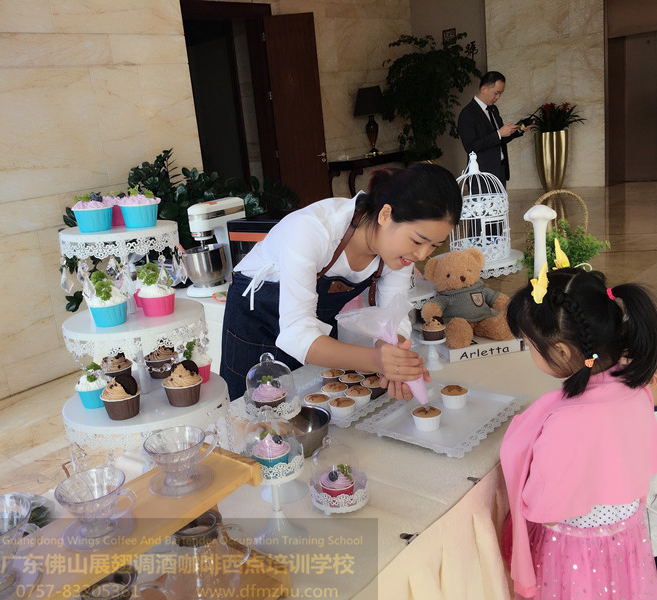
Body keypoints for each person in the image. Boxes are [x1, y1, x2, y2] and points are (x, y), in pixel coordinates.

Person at [219, 163, 463, 401]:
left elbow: (393, 316)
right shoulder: (312, 231)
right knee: (253, 406)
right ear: (386, 215)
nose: (422, 255)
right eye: (417, 241)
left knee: (305, 401)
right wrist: (377, 360)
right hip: (256, 318)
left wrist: (397, 358)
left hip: (309, 327)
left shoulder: (399, 254)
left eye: (434, 245)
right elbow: (296, 333)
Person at [499, 267, 657, 599]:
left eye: (529, 345)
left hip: (575, 554)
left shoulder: (566, 422)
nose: (530, 351)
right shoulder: (639, 390)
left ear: (562, 352)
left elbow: (545, 507)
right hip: (628, 540)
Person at [457, 71, 533, 186]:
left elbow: (500, 138)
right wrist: (498, 134)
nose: (498, 97)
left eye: (500, 93)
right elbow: (471, 147)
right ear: (484, 89)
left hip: (500, 171)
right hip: (482, 176)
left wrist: (519, 128)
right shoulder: (468, 113)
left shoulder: (493, 109)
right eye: (496, 93)